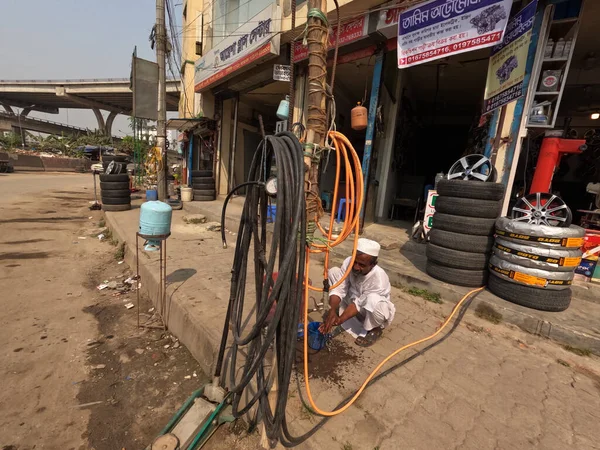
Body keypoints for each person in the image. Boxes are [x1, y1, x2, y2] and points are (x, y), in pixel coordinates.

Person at [320, 238, 395, 347]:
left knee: (373, 299)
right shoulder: (348, 262)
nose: (355, 267)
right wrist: (331, 310)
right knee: (333, 272)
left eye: (361, 265)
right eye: (354, 262)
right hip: (353, 299)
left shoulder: (379, 278)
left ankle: (375, 328)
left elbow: (359, 304)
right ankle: (337, 313)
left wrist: (340, 319)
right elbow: (339, 288)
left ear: (373, 264)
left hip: (370, 311)